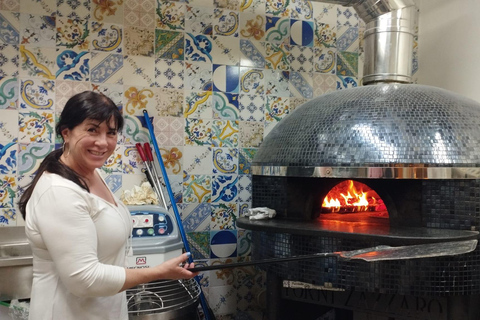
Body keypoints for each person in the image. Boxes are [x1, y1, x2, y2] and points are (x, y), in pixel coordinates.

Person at [18, 91, 197, 320]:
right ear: (67, 133)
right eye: (92, 130)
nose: (103, 142)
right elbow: (85, 280)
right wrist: (159, 272)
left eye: (111, 133)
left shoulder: (92, 173)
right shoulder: (59, 191)